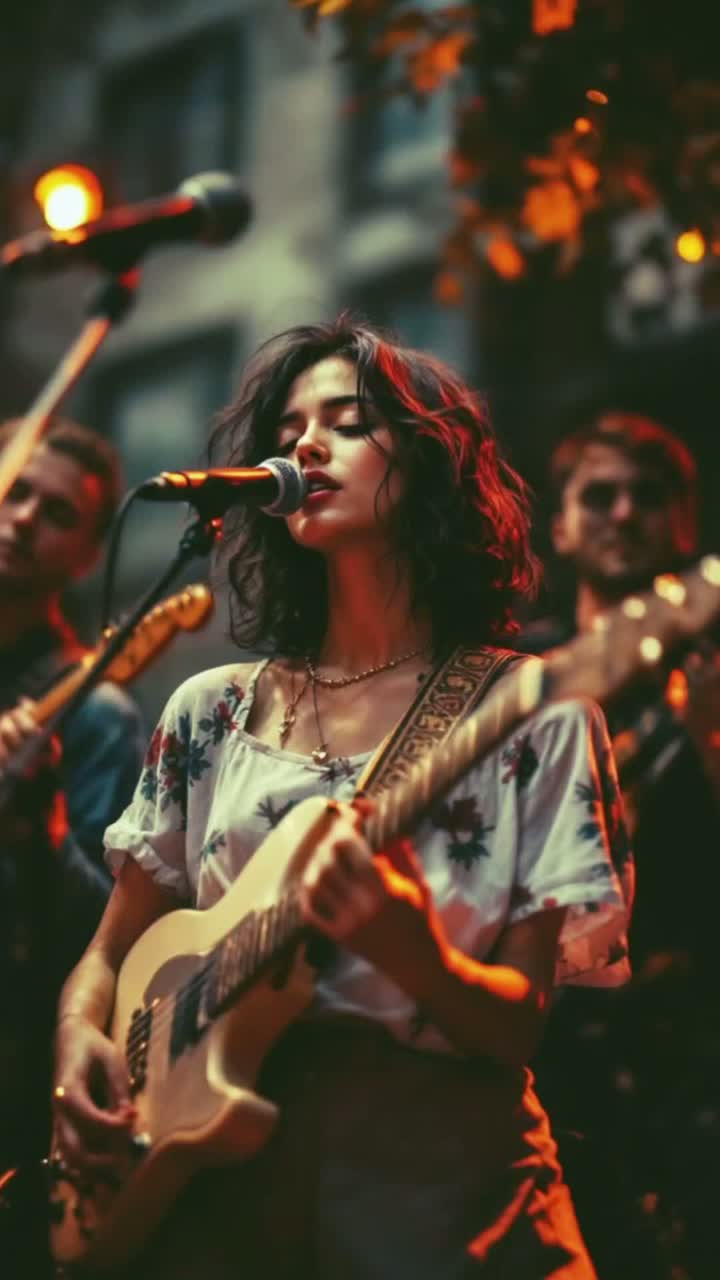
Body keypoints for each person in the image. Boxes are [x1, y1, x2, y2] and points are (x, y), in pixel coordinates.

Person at [52, 318, 633, 1280]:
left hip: (439, 1193)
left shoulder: (531, 711)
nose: (307, 447)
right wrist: (78, 1036)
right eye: (289, 433)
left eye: (349, 424)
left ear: (432, 465)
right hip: (223, 1197)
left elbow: (518, 1025)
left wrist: (413, 950)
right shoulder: (212, 711)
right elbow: (110, 953)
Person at [522, 411, 720, 1279]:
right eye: (599, 496)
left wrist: (709, 745)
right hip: (552, 1043)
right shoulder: (518, 677)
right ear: (560, 527)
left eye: (650, 495)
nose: (625, 513)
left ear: (686, 522)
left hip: (693, 1036)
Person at [0, 417, 145, 1267]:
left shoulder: (94, 718)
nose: (23, 519)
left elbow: (106, 941)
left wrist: (39, 832)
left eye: (56, 513)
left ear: (89, 557)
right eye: (15, 490)